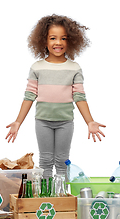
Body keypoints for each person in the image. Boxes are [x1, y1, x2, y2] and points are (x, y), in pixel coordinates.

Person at [6, 14, 105, 179]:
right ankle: (47, 197)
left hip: (65, 122)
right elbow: (29, 96)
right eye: (53, 38)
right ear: (44, 41)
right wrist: (18, 122)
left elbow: (79, 97)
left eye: (63, 38)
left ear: (71, 41)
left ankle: (62, 196)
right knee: (45, 160)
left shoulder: (74, 68)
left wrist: (90, 121)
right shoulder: (37, 67)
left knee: (62, 160)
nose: (58, 43)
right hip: (42, 121)